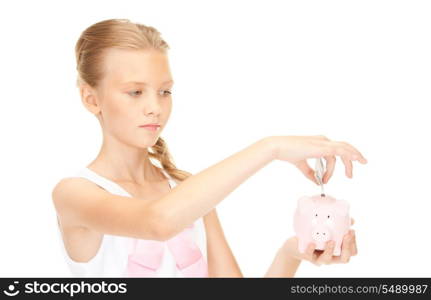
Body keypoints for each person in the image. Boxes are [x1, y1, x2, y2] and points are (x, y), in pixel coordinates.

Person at [52, 18, 367, 277]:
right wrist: (271, 148)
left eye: (164, 91)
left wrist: (293, 252)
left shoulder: (189, 192)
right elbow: (158, 222)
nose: (155, 107)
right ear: (91, 99)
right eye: (135, 92)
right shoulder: (75, 194)